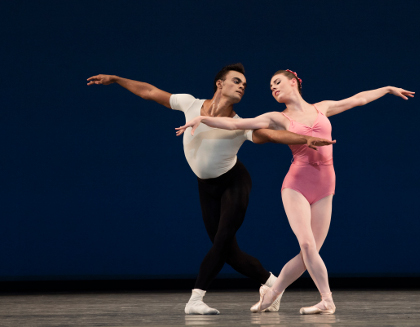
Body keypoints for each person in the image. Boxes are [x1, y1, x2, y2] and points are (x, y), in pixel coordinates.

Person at [86, 64, 334, 315]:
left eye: (244, 85)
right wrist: (116, 79)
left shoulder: (239, 124)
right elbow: (149, 91)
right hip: (206, 186)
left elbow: (270, 135)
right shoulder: (190, 104)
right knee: (228, 251)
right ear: (219, 84)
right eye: (236, 81)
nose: (241, 87)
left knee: (222, 240)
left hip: (234, 184)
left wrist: (304, 138)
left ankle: (195, 299)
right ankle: (271, 284)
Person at [177, 69, 414, 314]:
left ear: (294, 82)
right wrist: (204, 119)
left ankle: (277, 293)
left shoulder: (323, 107)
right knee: (308, 246)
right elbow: (237, 123)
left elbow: (358, 99)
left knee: (308, 253)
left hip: (325, 185)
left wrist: (386, 89)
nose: (273, 88)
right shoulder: (277, 117)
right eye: (270, 87)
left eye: (277, 82)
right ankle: (324, 300)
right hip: (297, 183)